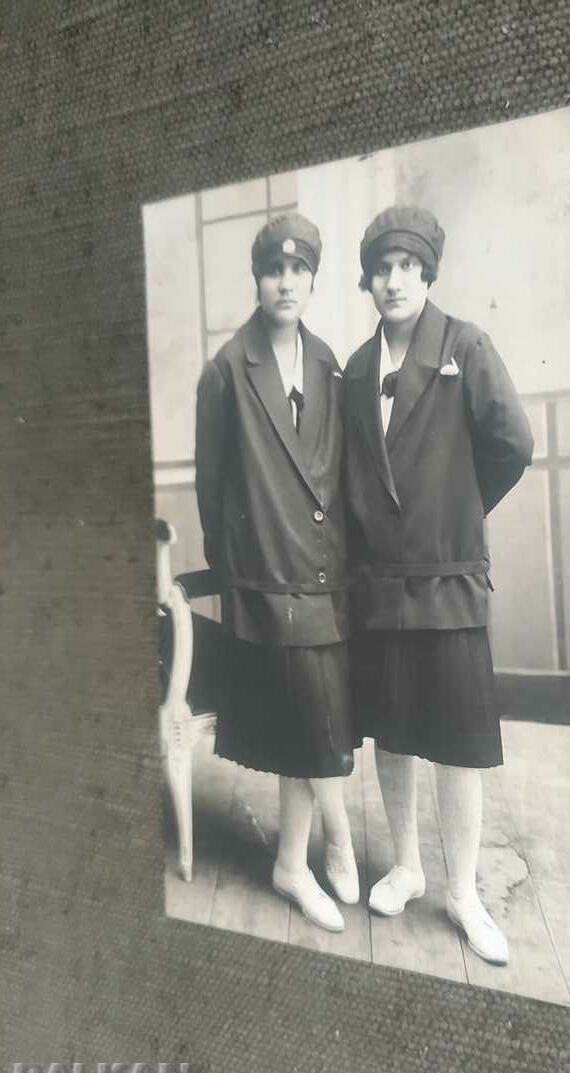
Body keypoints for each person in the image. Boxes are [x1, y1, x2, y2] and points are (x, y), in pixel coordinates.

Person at [342, 205, 534, 965]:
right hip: (381, 585)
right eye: (382, 269)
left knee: (456, 745)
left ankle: (461, 890)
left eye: (407, 269)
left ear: (427, 275)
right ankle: (405, 865)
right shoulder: (356, 370)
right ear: (369, 279)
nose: (393, 282)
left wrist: (456, 510)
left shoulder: (464, 345)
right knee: (393, 736)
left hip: (447, 580)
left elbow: (513, 444)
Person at [194, 212, 358, 933]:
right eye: (272, 270)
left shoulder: (327, 362)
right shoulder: (228, 368)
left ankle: (314, 850)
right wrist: (240, 579)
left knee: (316, 724)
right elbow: (211, 489)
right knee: (304, 724)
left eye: (297, 271)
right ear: (256, 279)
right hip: (265, 580)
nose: (285, 282)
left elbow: (337, 475)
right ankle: (302, 859)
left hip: (322, 577)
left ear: (313, 279)